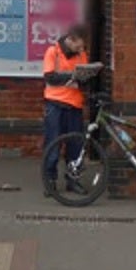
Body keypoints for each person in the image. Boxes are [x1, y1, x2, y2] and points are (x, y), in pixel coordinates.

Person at [41, 26, 102, 199]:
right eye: (78, 47)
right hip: (55, 103)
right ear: (71, 39)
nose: (81, 50)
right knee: (53, 144)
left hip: (75, 104)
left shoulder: (81, 54)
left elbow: (86, 79)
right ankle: (50, 180)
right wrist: (71, 77)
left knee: (75, 146)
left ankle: (72, 179)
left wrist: (81, 81)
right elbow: (49, 76)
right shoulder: (53, 52)